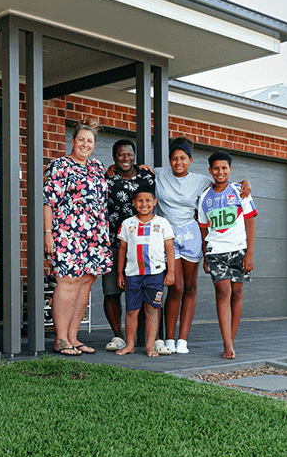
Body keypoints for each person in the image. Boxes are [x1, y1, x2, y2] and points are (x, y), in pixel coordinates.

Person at [154, 138, 250, 356]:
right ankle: (169, 337)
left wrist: (246, 181)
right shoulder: (159, 174)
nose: (178, 162)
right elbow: (137, 173)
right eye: (174, 158)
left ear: (190, 160)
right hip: (168, 235)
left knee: (190, 287)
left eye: (183, 158)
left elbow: (223, 181)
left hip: (191, 235)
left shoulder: (201, 180)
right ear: (169, 160)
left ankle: (182, 340)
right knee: (175, 287)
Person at [43, 118, 112, 356]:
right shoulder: (59, 165)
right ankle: (60, 338)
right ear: (72, 141)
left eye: (89, 141)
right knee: (67, 281)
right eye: (81, 139)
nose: (85, 144)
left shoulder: (97, 167)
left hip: (94, 234)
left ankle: (73, 336)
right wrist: (47, 234)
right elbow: (48, 202)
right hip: (67, 233)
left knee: (85, 282)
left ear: (94, 145)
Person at [197, 151, 257, 360]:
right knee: (223, 292)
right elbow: (204, 229)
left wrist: (249, 253)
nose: (220, 172)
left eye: (224, 168)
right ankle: (227, 343)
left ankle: (231, 339)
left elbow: (250, 222)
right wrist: (205, 256)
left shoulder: (240, 191)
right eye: (216, 168)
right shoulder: (204, 197)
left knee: (237, 293)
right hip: (216, 251)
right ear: (210, 171)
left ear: (230, 170)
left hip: (239, 249)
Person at [101, 139, 155, 352]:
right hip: (113, 243)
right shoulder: (108, 179)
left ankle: (148, 337)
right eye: (121, 154)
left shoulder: (147, 177)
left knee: (143, 291)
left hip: (142, 244)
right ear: (114, 157)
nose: (126, 158)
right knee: (112, 291)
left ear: (134, 156)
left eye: (129, 154)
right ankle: (119, 336)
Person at [115, 189, 175, 356]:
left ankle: (150, 345)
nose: (144, 204)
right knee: (131, 310)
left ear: (155, 202)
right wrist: (120, 273)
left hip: (155, 274)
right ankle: (130, 345)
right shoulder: (128, 224)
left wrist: (171, 272)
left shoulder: (162, 223)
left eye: (148, 200)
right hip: (133, 274)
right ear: (134, 203)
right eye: (140, 201)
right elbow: (122, 249)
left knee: (152, 309)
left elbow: (169, 248)